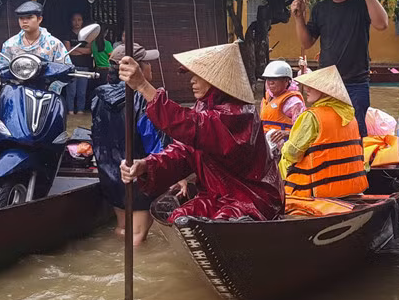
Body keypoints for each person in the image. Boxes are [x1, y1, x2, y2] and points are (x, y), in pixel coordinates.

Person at [118, 43, 283, 222]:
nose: (192, 81)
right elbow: (184, 152)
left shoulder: (240, 114)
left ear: (216, 80)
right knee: (180, 218)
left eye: (199, 76)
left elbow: (193, 126)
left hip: (251, 198)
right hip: (216, 196)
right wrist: (146, 166)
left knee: (221, 224)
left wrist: (143, 86)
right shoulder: (203, 107)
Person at [292, 0, 390, 137]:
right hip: (327, 83)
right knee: (327, 131)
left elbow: (382, 24)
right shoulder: (320, 9)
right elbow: (307, 43)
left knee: (355, 132)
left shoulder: (362, 4)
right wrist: (299, 18)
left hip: (355, 82)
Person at [92, 43, 171, 245]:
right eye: (147, 63)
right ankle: (138, 265)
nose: (151, 67)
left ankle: (116, 258)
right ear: (137, 68)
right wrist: (171, 176)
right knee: (137, 235)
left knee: (123, 228)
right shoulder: (143, 100)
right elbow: (155, 143)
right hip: (138, 177)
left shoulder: (99, 98)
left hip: (111, 175)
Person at [279, 65, 367, 197]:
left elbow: (292, 153)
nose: (307, 89)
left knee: (283, 160)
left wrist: (282, 148)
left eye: (313, 86)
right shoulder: (350, 116)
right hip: (351, 186)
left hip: (317, 190)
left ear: (326, 92)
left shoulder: (311, 117)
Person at [0, 1, 70, 94]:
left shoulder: (54, 44)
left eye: (29, 17)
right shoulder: (9, 45)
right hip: (17, 95)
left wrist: (52, 87)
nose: (24, 21)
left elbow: (65, 70)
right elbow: (1, 70)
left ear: (39, 19)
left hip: (47, 95)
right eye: (21, 18)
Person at [260, 60, 305, 152]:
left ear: (286, 81)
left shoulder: (294, 102)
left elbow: (303, 130)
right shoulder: (266, 97)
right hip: (266, 146)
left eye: (275, 79)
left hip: (284, 148)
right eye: (268, 79)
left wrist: (286, 133)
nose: (270, 83)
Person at [63, 13, 92, 114]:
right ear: (71, 21)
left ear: (82, 21)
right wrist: (82, 50)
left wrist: (74, 49)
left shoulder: (86, 35)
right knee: (71, 91)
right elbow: (68, 51)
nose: (77, 22)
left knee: (82, 92)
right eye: (74, 20)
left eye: (79, 20)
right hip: (71, 66)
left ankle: (80, 111)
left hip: (84, 66)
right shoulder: (67, 34)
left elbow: (89, 50)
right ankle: (70, 111)